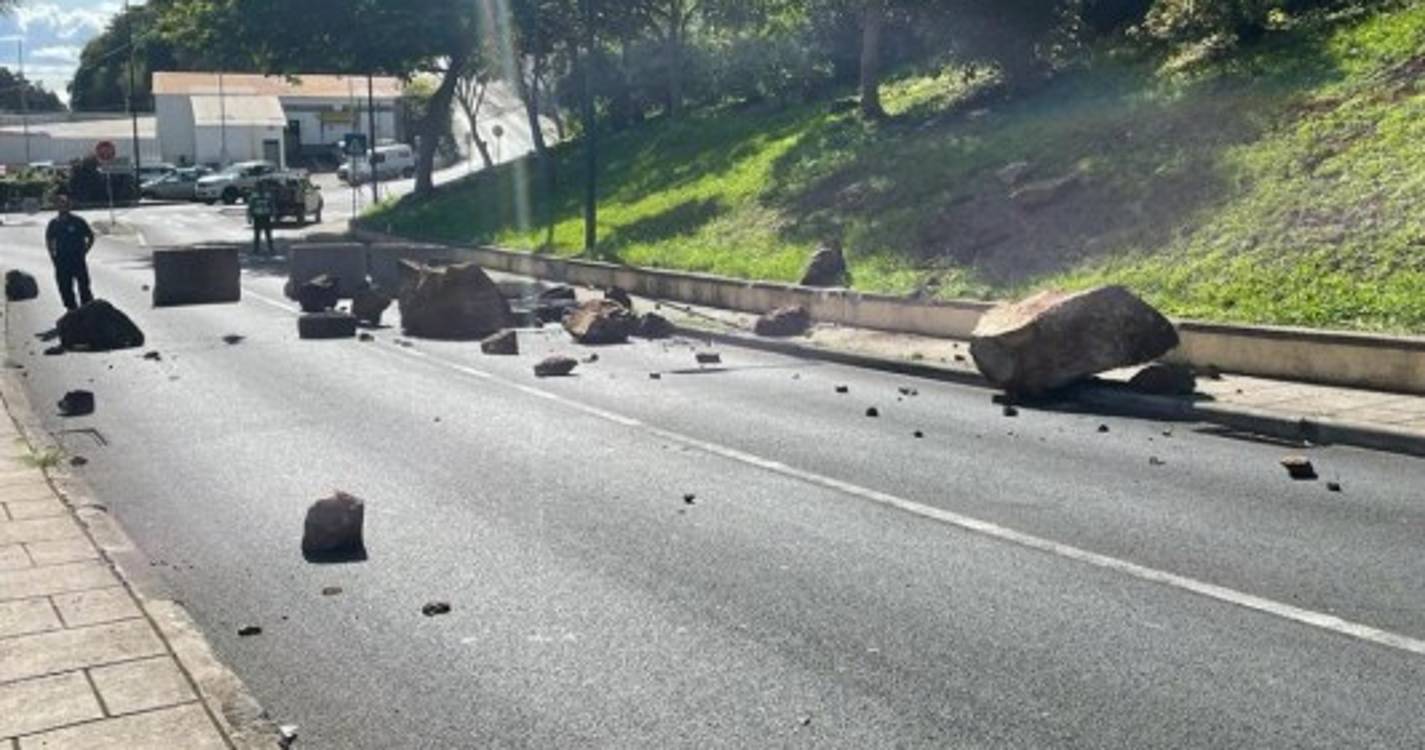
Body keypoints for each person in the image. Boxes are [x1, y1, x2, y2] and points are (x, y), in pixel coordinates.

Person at [45, 195, 95, 311]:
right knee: (65, 287)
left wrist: (84, 251)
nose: (62, 207)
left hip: (77, 259)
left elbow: (90, 236)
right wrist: (53, 256)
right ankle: (72, 310)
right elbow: (49, 240)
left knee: (84, 286)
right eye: (59, 204)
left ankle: (87, 309)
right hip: (61, 260)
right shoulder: (54, 224)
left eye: (64, 204)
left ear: (69, 206)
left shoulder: (78, 221)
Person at [248, 179, 277, 256]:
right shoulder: (254, 196)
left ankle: (271, 248)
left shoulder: (268, 195)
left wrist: (273, 214)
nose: (261, 188)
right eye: (259, 187)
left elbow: (272, 206)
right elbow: (250, 207)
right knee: (257, 235)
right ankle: (256, 249)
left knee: (268, 234)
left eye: (262, 187)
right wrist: (249, 217)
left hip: (266, 216)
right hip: (257, 217)